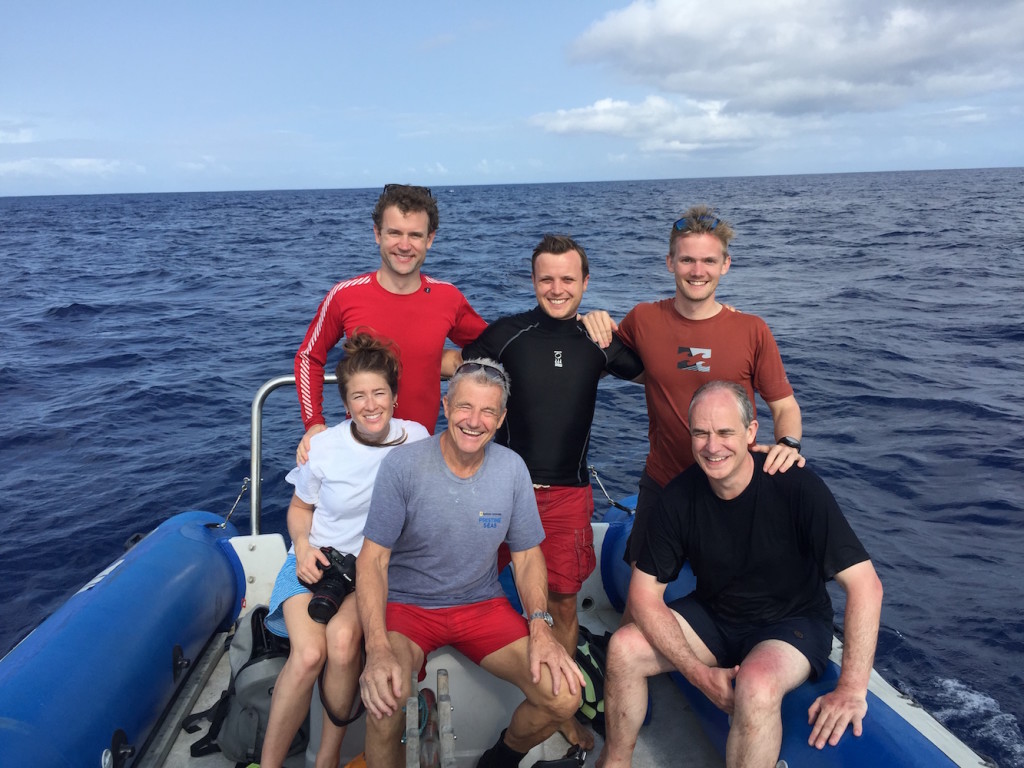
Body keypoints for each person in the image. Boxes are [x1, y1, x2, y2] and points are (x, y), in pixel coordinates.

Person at [596, 381, 883, 768]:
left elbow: (866, 584)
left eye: (725, 432)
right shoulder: (679, 497)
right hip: (717, 615)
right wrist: (698, 674)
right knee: (624, 649)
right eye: (701, 433)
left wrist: (852, 687)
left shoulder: (797, 487)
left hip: (792, 623)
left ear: (751, 433)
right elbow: (644, 596)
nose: (712, 447)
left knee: (757, 686)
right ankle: (614, 763)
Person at [460, 234, 644, 748]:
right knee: (463, 587)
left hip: (567, 495)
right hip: (499, 488)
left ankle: (557, 703)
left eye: (568, 279)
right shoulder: (508, 334)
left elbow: (655, 371)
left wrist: (621, 327)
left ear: (585, 283)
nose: (557, 289)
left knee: (564, 605)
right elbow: (454, 370)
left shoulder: (599, 340)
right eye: (547, 278)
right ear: (533, 280)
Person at [356, 359, 584, 768]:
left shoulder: (512, 469)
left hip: (481, 605)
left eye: (488, 411)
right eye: (465, 407)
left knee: (564, 696)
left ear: (501, 418)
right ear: (446, 407)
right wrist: (375, 647)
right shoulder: (402, 467)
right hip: (408, 608)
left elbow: (528, 556)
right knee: (386, 701)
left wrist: (540, 623)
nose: (474, 421)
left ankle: (498, 760)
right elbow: (373, 560)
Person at [582, 204, 804, 567]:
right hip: (662, 482)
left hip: (732, 486)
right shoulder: (644, 319)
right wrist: (593, 322)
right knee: (639, 585)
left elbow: (784, 406)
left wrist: (789, 444)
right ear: (670, 262)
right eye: (687, 260)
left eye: (708, 261)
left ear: (725, 265)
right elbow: (602, 365)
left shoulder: (751, 329)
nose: (697, 271)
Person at [261, 333, 430, 768]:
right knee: (309, 654)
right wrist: (300, 547)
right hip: (316, 558)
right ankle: (269, 763)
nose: (370, 405)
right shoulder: (323, 446)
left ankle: (326, 759)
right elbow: (300, 509)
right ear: (345, 402)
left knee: (340, 642)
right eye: (359, 396)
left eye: (379, 393)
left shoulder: (416, 438)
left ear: (394, 396)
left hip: (372, 569)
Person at [294, 183, 487, 462]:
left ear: (430, 239)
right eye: (394, 232)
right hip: (360, 454)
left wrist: (449, 359)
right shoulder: (345, 295)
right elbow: (308, 358)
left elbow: (497, 344)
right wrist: (314, 424)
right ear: (377, 234)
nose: (405, 245)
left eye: (415, 235)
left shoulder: (448, 298)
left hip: (422, 454)